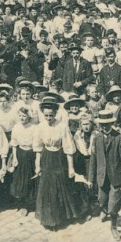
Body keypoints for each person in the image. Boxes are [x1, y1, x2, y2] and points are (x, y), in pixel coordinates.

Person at [33, 96, 80, 230]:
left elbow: (68, 147)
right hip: (47, 157)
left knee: (59, 186)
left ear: (55, 113)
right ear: (43, 114)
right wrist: (37, 165)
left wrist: (71, 168)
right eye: (46, 115)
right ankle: (49, 219)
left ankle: (60, 218)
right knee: (48, 188)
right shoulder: (40, 127)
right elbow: (38, 148)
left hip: (59, 158)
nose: (49, 118)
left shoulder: (62, 126)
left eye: (51, 115)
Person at [88, 110, 121, 241]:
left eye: (107, 125)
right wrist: (90, 178)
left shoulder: (118, 137)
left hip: (115, 177)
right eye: (102, 125)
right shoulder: (96, 138)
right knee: (102, 199)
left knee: (114, 204)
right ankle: (104, 209)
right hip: (102, 177)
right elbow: (93, 160)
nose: (104, 127)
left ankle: (114, 226)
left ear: (111, 123)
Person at [9, 107, 37, 216]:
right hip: (20, 154)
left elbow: (36, 143)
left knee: (30, 178)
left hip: (31, 154)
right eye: (20, 116)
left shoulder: (34, 128)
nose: (22, 118)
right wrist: (15, 158)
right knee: (20, 179)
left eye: (24, 116)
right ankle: (22, 204)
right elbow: (14, 144)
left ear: (29, 117)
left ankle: (31, 204)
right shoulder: (16, 127)